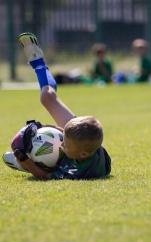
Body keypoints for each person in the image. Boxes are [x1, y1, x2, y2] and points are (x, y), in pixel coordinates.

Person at [2, 32, 111, 180]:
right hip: (77, 147)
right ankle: (38, 61)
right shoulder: (84, 146)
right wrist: (39, 126)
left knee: (44, 161)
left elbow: (44, 176)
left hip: (62, 162)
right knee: (47, 97)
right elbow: (67, 135)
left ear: (83, 154)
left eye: (65, 144)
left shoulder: (76, 173)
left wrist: (24, 159)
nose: (61, 143)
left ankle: (28, 164)